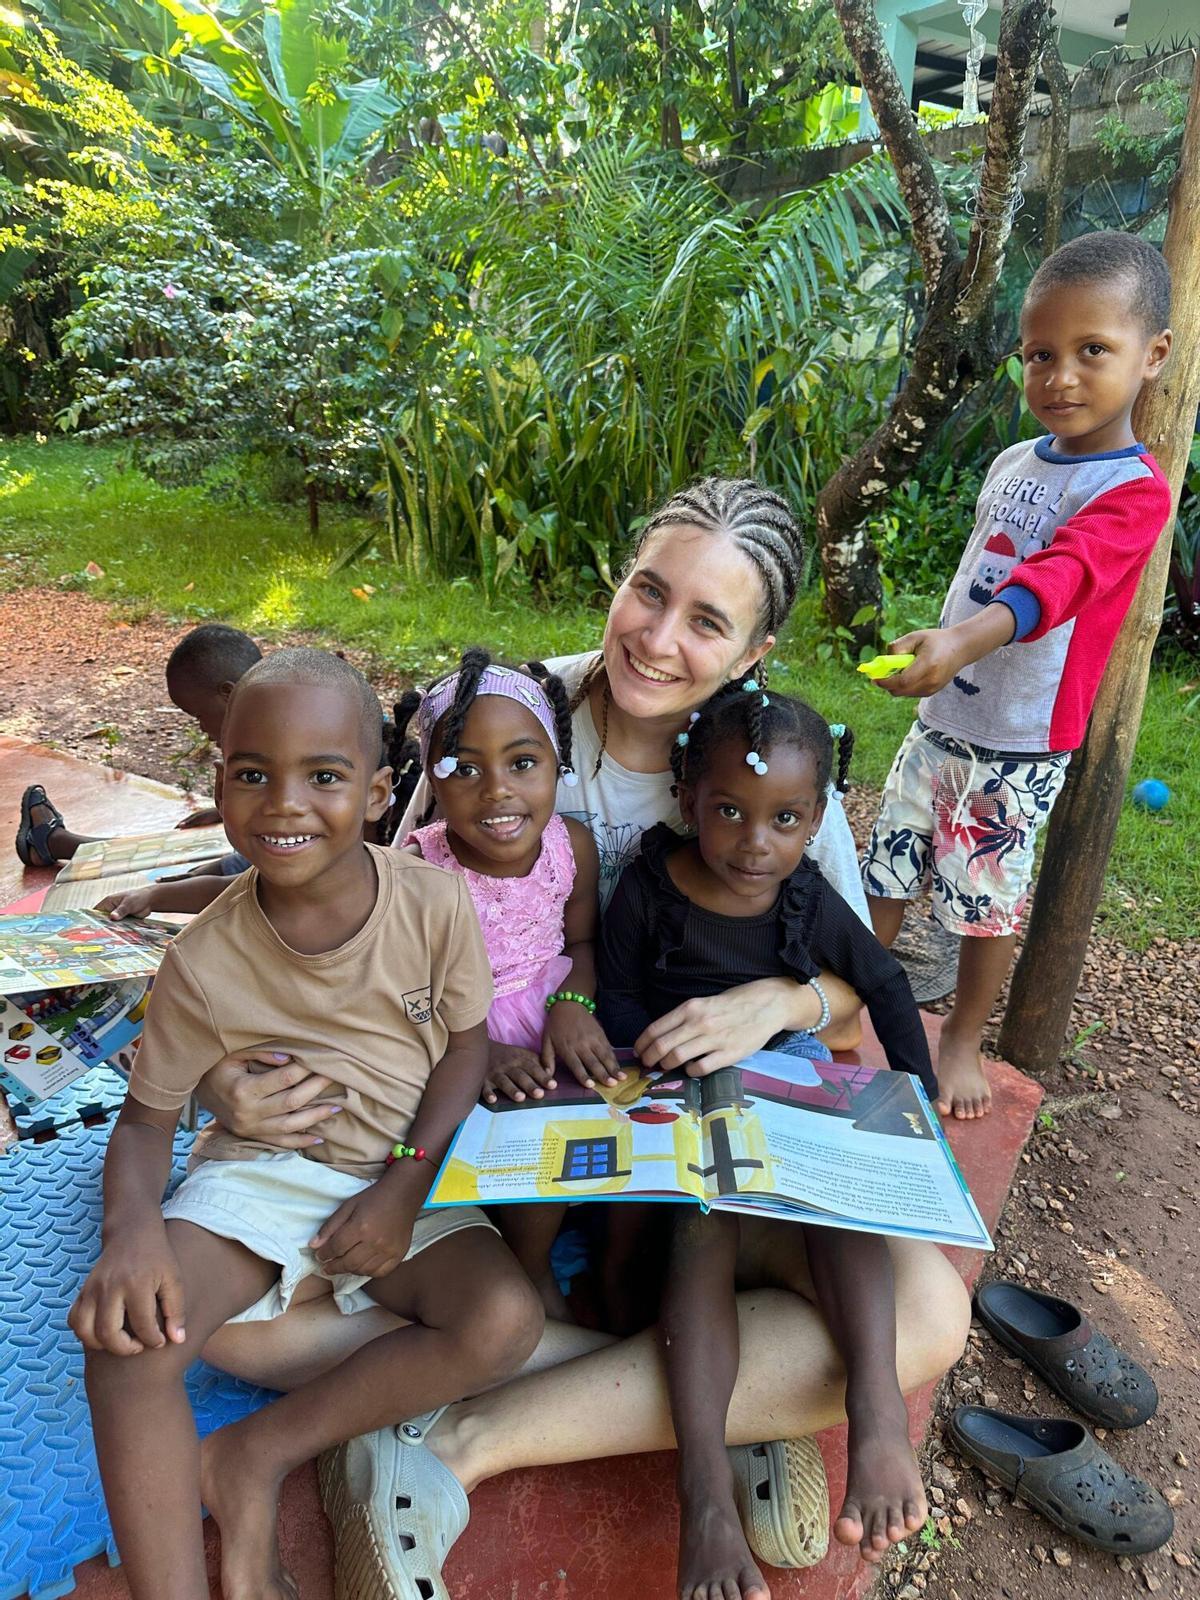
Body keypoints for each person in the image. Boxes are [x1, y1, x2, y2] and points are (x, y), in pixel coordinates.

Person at [193, 479, 970, 1597]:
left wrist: (779, 1003)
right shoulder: (508, 714)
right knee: (238, 1329)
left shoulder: (767, 762)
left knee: (929, 1317)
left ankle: (454, 1437)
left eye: (707, 621)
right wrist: (224, 1073)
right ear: (618, 582)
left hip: (689, 1152)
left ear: (754, 653)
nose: (657, 637)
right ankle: (732, 1405)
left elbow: (851, 993)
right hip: (501, 1126)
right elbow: (363, 909)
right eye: (648, 592)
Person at [68, 648, 543, 1600]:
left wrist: (405, 1183)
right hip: (263, 1170)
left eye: (323, 776)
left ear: (377, 793)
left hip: (400, 1172)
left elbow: (463, 1051)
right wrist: (132, 1237)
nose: (284, 804)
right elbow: (145, 1125)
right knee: (128, 1342)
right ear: (220, 785)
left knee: (504, 1321)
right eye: (253, 775)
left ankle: (256, 1453)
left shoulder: (433, 903)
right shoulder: (201, 960)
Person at [600, 685, 938, 1594]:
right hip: (679, 1087)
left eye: (785, 819)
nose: (756, 842)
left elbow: (884, 984)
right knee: (699, 1225)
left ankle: (877, 1408)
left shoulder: (805, 899)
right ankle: (704, 1488)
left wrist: (920, 1099)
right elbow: (618, 995)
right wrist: (653, 1049)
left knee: (837, 1201)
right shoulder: (648, 885)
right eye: (729, 812)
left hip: (789, 1079)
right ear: (687, 800)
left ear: (816, 819)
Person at [861, 231, 1174, 1122]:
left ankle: (962, 1036)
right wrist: (944, 650)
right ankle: (850, 996)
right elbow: (986, 567)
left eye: (1092, 351)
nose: (1060, 376)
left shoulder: (1135, 491)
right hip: (945, 715)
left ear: (1153, 356)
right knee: (889, 862)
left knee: (984, 898)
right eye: (1040, 354)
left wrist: (963, 642)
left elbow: (1059, 578)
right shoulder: (1012, 462)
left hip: (1022, 739)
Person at [394, 646, 623, 1313]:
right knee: (525, 1129)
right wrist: (479, 1053)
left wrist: (574, 1004)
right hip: (450, 1040)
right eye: (463, 768)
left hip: (550, 1021)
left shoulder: (570, 846)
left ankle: (574, 1257)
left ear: (557, 764)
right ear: (432, 780)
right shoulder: (417, 871)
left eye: (522, 763)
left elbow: (580, 941)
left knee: (604, 1115)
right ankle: (528, 1269)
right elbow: (399, 992)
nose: (496, 789)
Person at [15, 622, 262, 866]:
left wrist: (200, 879)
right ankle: (58, 844)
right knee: (195, 852)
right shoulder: (272, 730)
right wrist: (225, 811)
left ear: (228, 694)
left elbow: (259, 869)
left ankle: (57, 844)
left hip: (266, 877)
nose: (202, 728)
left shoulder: (272, 750)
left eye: (199, 715)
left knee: (186, 866)